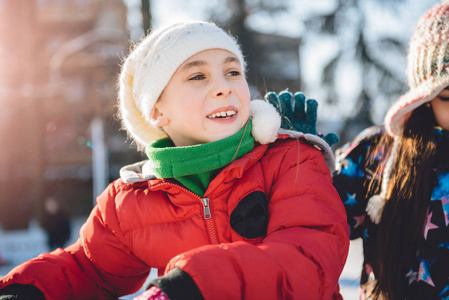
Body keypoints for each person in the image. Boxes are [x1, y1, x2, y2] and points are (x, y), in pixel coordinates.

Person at [0, 21, 349, 300]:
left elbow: (310, 259)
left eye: (232, 72)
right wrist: (27, 290)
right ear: (157, 111)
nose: (224, 86)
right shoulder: (130, 203)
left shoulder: (291, 160)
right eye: (198, 76)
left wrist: (194, 284)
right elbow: (87, 268)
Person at [333, 1, 449, 299]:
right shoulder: (375, 153)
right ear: (426, 98)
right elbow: (318, 223)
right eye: (448, 97)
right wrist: (297, 162)